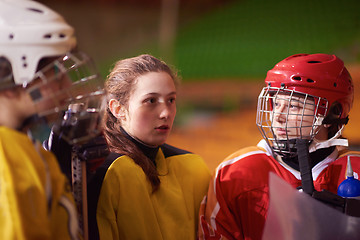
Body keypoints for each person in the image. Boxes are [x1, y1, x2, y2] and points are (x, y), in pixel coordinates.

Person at [198, 53, 360, 240]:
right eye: (276, 103)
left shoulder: (355, 168)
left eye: (293, 106)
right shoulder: (235, 172)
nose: (278, 116)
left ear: (333, 113)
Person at [0, 0, 104, 239]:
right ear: (6, 74)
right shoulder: (7, 157)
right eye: (54, 73)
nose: (67, 86)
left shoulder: (26, 149)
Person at [87, 54, 211, 240]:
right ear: (118, 109)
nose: (165, 113)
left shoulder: (192, 166)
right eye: (151, 101)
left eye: (171, 100)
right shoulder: (106, 171)